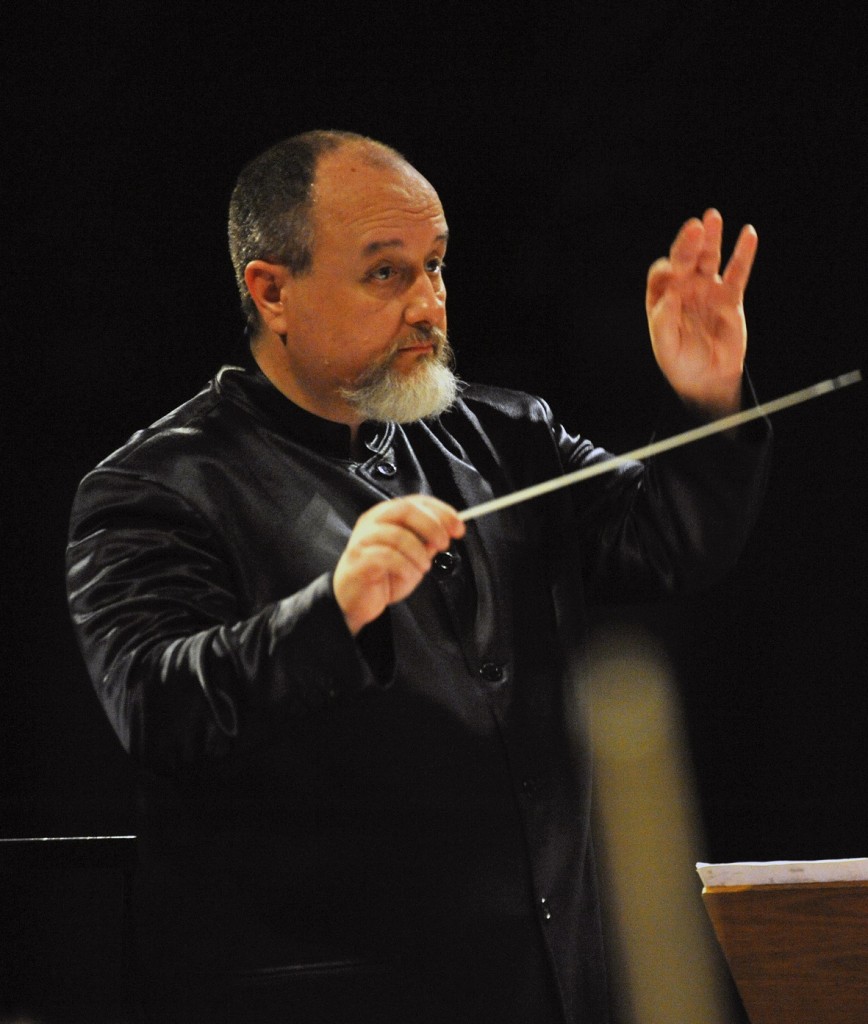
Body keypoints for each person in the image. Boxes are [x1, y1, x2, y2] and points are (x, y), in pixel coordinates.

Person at [67, 130, 770, 1023]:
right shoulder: (158, 486)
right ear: (273, 291)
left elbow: (667, 542)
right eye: (386, 273)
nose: (429, 303)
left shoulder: (504, 434)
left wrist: (708, 397)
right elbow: (157, 706)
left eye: (435, 264)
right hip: (337, 999)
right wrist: (332, 610)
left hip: (549, 987)